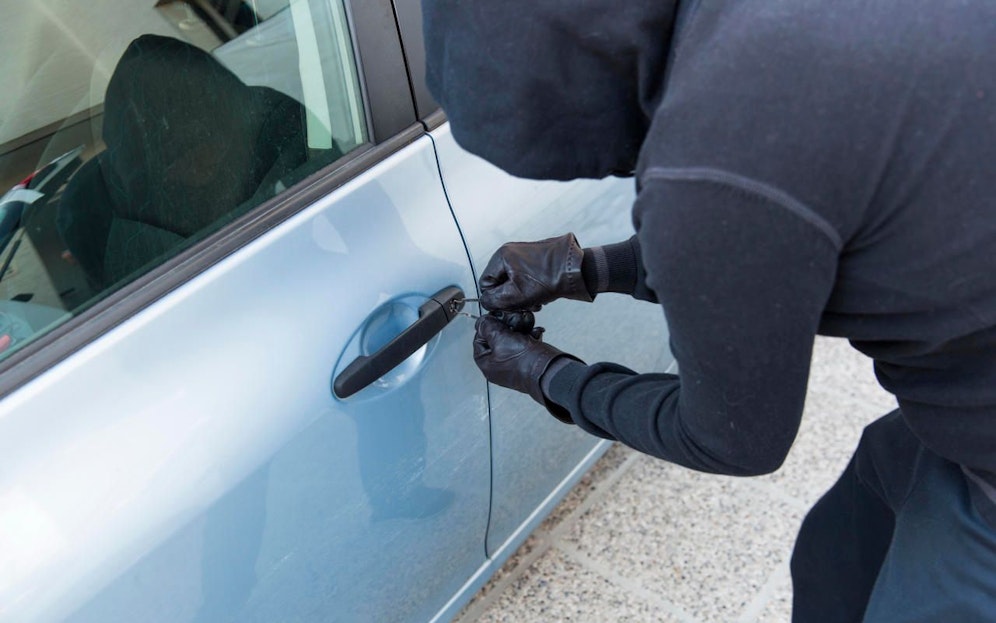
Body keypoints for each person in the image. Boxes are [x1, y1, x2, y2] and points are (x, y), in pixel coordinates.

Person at [422, 1, 996, 621]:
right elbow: (766, 235)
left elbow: (732, 439)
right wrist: (585, 270)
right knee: (840, 556)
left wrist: (552, 378)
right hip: (963, 391)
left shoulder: (716, 149)